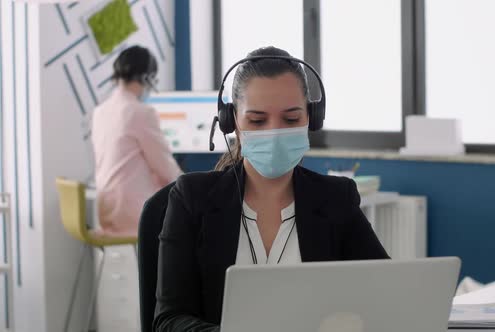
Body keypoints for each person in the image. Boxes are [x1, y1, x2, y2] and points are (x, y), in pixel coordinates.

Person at [153, 46, 388, 331]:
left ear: (311, 119)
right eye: (257, 120)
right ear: (233, 122)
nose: (274, 132)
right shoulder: (192, 197)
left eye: (290, 119)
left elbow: (383, 294)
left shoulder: (337, 199)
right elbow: (168, 321)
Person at [92, 45, 182, 237]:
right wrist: (191, 185)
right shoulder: (140, 112)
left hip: (106, 211)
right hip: (135, 214)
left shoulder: (100, 112)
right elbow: (165, 167)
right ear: (147, 78)